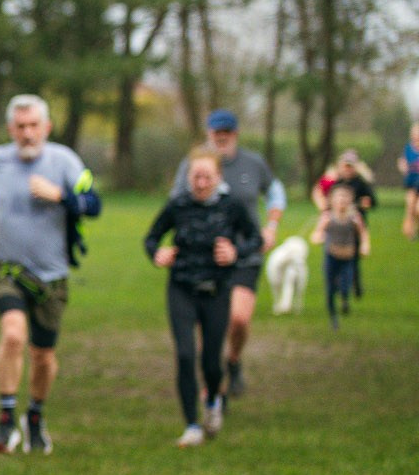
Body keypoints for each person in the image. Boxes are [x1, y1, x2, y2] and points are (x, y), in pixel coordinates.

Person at [0, 95, 101, 455]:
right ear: (10, 129)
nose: (28, 133)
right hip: (7, 268)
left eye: (34, 126)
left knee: (43, 356)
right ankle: (6, 420)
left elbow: (93, 204)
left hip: (52, 277)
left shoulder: (65, 161)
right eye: (20, 127)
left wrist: (61, 195)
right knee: (13, 335)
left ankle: (34, 417)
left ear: (47, 127)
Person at [144, 147, 263, 448]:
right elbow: (151, 238)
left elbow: (256, 238)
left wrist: (236, 252)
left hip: (216, 291)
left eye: (207, 177)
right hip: (181, 288)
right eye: (195, 176)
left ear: (219, 177)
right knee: (185, 355)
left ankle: (213, 401)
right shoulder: (178, 205)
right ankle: (192, 426)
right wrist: (158, 254)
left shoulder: (231, 206)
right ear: (188, 177)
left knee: (211, 362)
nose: (200, 183)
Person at [170, 111, 283, 398]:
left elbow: (275, 191)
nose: (222, 136)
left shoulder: (253, 163)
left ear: (236, 133)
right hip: (205, 260)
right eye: (216, 131)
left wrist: (271, 226)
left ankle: (233, 359)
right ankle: (212, 383)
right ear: (208, 133)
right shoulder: (193, 165)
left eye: (227, 131)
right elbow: (176, 203)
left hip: (245, 255)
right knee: (207, 326)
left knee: (239, 319)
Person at [312, 150, 376, 298]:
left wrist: (365, 203)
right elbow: (319, 191)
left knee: (353, 258)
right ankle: (335, 284)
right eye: (345, 166)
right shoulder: (335, 181)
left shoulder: (361, 183)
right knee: (332, 255)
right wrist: (323, 205)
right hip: (335, 226)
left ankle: (354, 285)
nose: (347, 169)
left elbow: (372, 201)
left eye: (350, 166)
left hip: (354, 226)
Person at [311, 183, 370, 329]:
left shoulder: (354, 217)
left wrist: (365, 246)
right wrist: (318, 237)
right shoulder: (327, 217)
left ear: (351, 200)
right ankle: (333, 318)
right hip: (331, 256)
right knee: (330, 289)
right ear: (332, 200)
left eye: (345, 197)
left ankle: (344, 298)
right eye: (339, 197)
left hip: (348, 257)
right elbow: (317, 233)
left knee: (346, 284)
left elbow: (363, 234)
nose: (342, 200)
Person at [403, 123, 419, 241]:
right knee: (410, 207)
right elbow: (403, 161)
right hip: (411, 182)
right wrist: (403, 167)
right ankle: (410, 232)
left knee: (418, 209)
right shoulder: (408, 148)